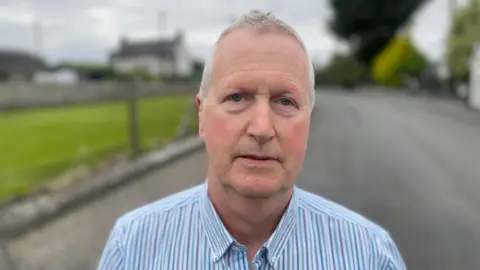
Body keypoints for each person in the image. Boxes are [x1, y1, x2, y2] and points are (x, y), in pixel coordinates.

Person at [98, 10, 406, 270]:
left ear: (309, 120)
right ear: (202, 117)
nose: (261, 128)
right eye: (237, 97)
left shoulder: (370, 255)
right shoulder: (132, 249)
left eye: (285, 102)